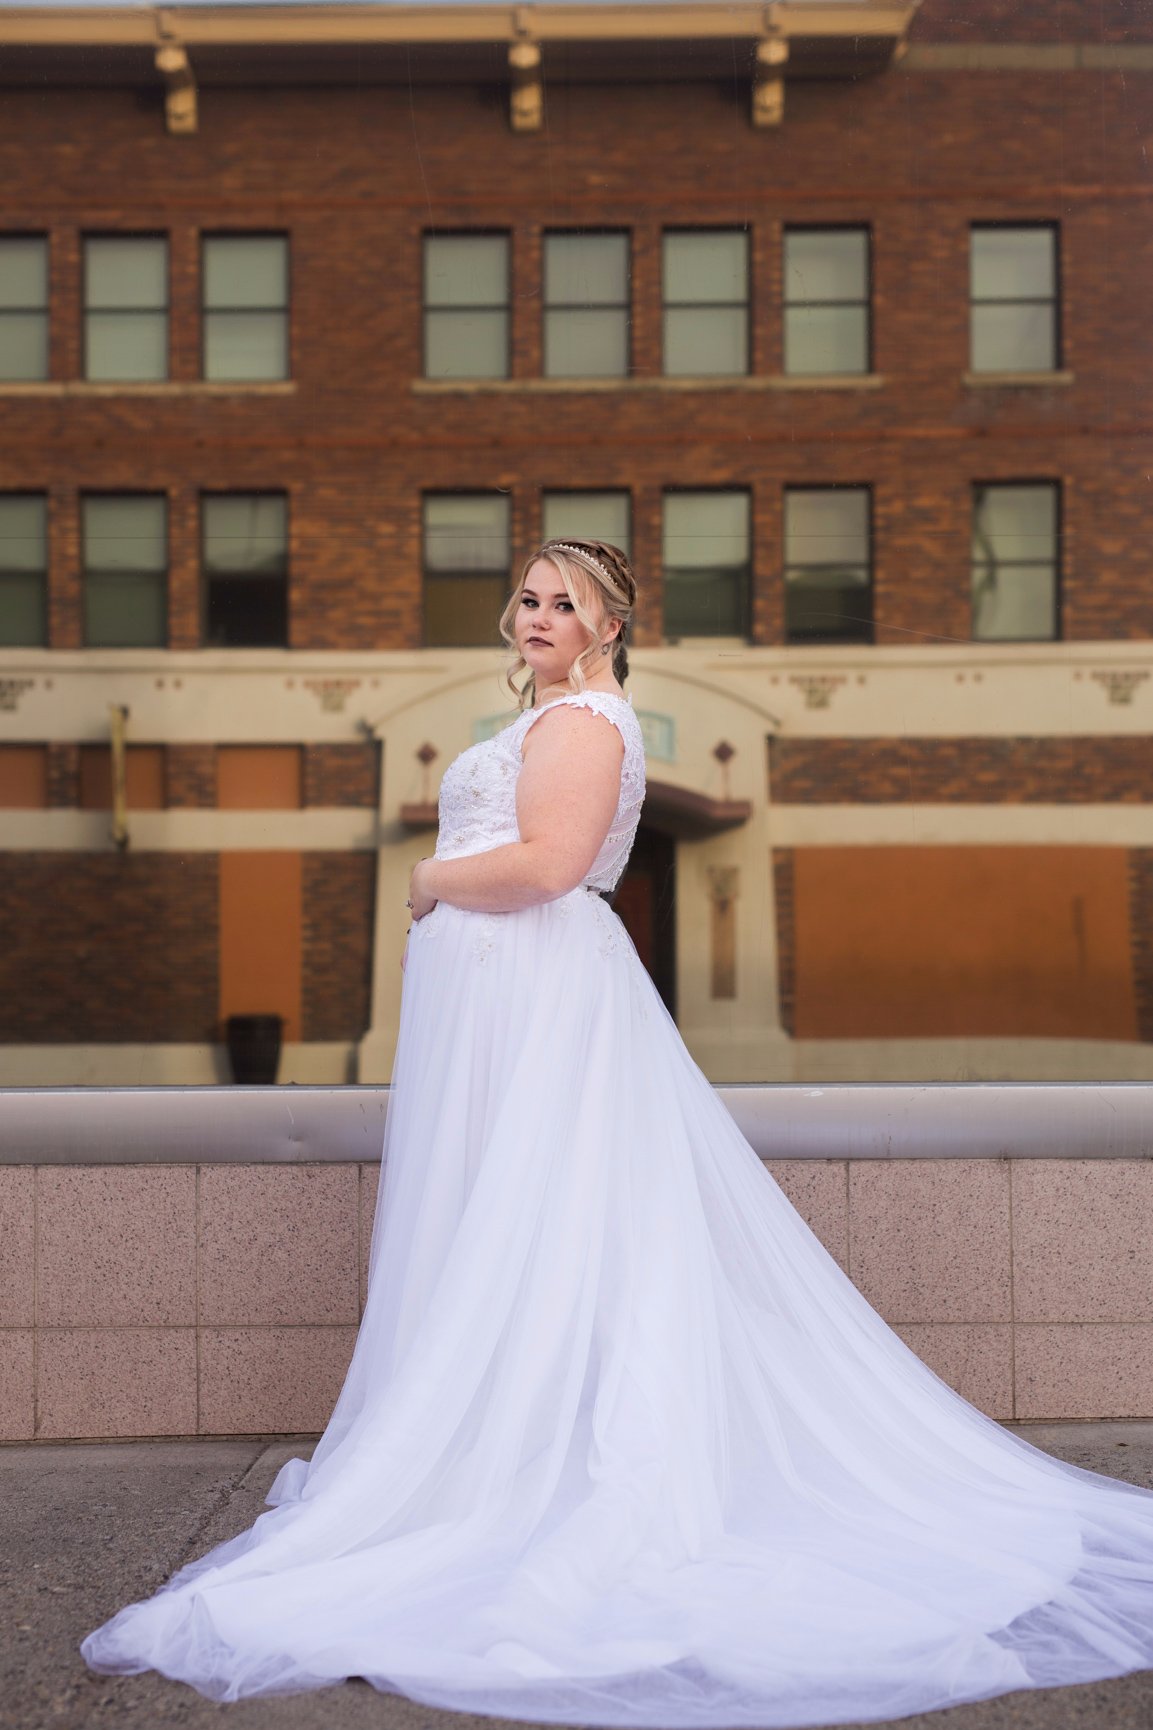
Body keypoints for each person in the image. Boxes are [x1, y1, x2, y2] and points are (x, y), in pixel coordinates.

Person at [82, 539, 1153, 1726]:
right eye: (529, 597)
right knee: (520, 1224)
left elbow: (545, 864)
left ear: (609, 625)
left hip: (539, 1002)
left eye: (565, 603)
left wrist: (430, 881)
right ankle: (498, 1439)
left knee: (557, 1222)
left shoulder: (585, 722)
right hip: (504, 1002)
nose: (537, 615)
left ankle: (538, 1469)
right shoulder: (552, 716)